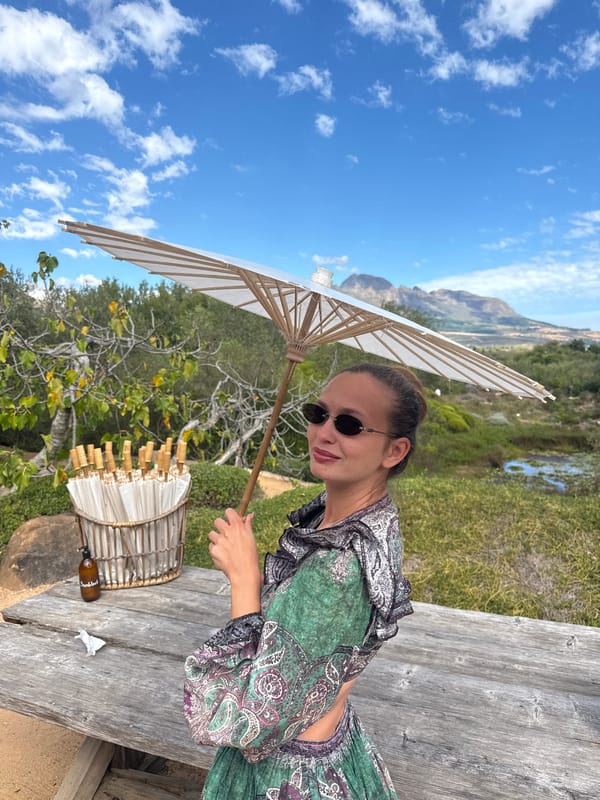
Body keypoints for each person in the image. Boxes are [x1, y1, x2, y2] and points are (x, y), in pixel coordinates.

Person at [184, 363, 427, 799]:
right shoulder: (363, 522)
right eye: (319, 414)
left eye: (350, 424)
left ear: (394, 451)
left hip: (287, 772)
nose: (324, 433)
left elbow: (249, 720)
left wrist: (243, 581)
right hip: (333, 741)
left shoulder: (339, 569)